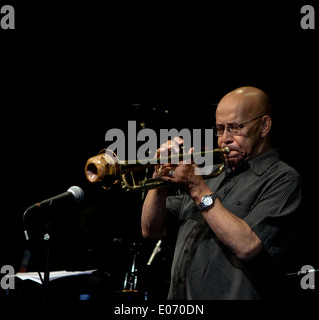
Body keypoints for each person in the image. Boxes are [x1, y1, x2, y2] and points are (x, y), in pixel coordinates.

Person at [141, 86, 302, 299]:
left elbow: (247, 246)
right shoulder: (207, 175)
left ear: (264, 126)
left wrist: (197, 189)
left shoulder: (283, 179)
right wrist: (160, 179)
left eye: (235, 128)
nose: (224, 139)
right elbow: (151, 230)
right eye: (220, 129)